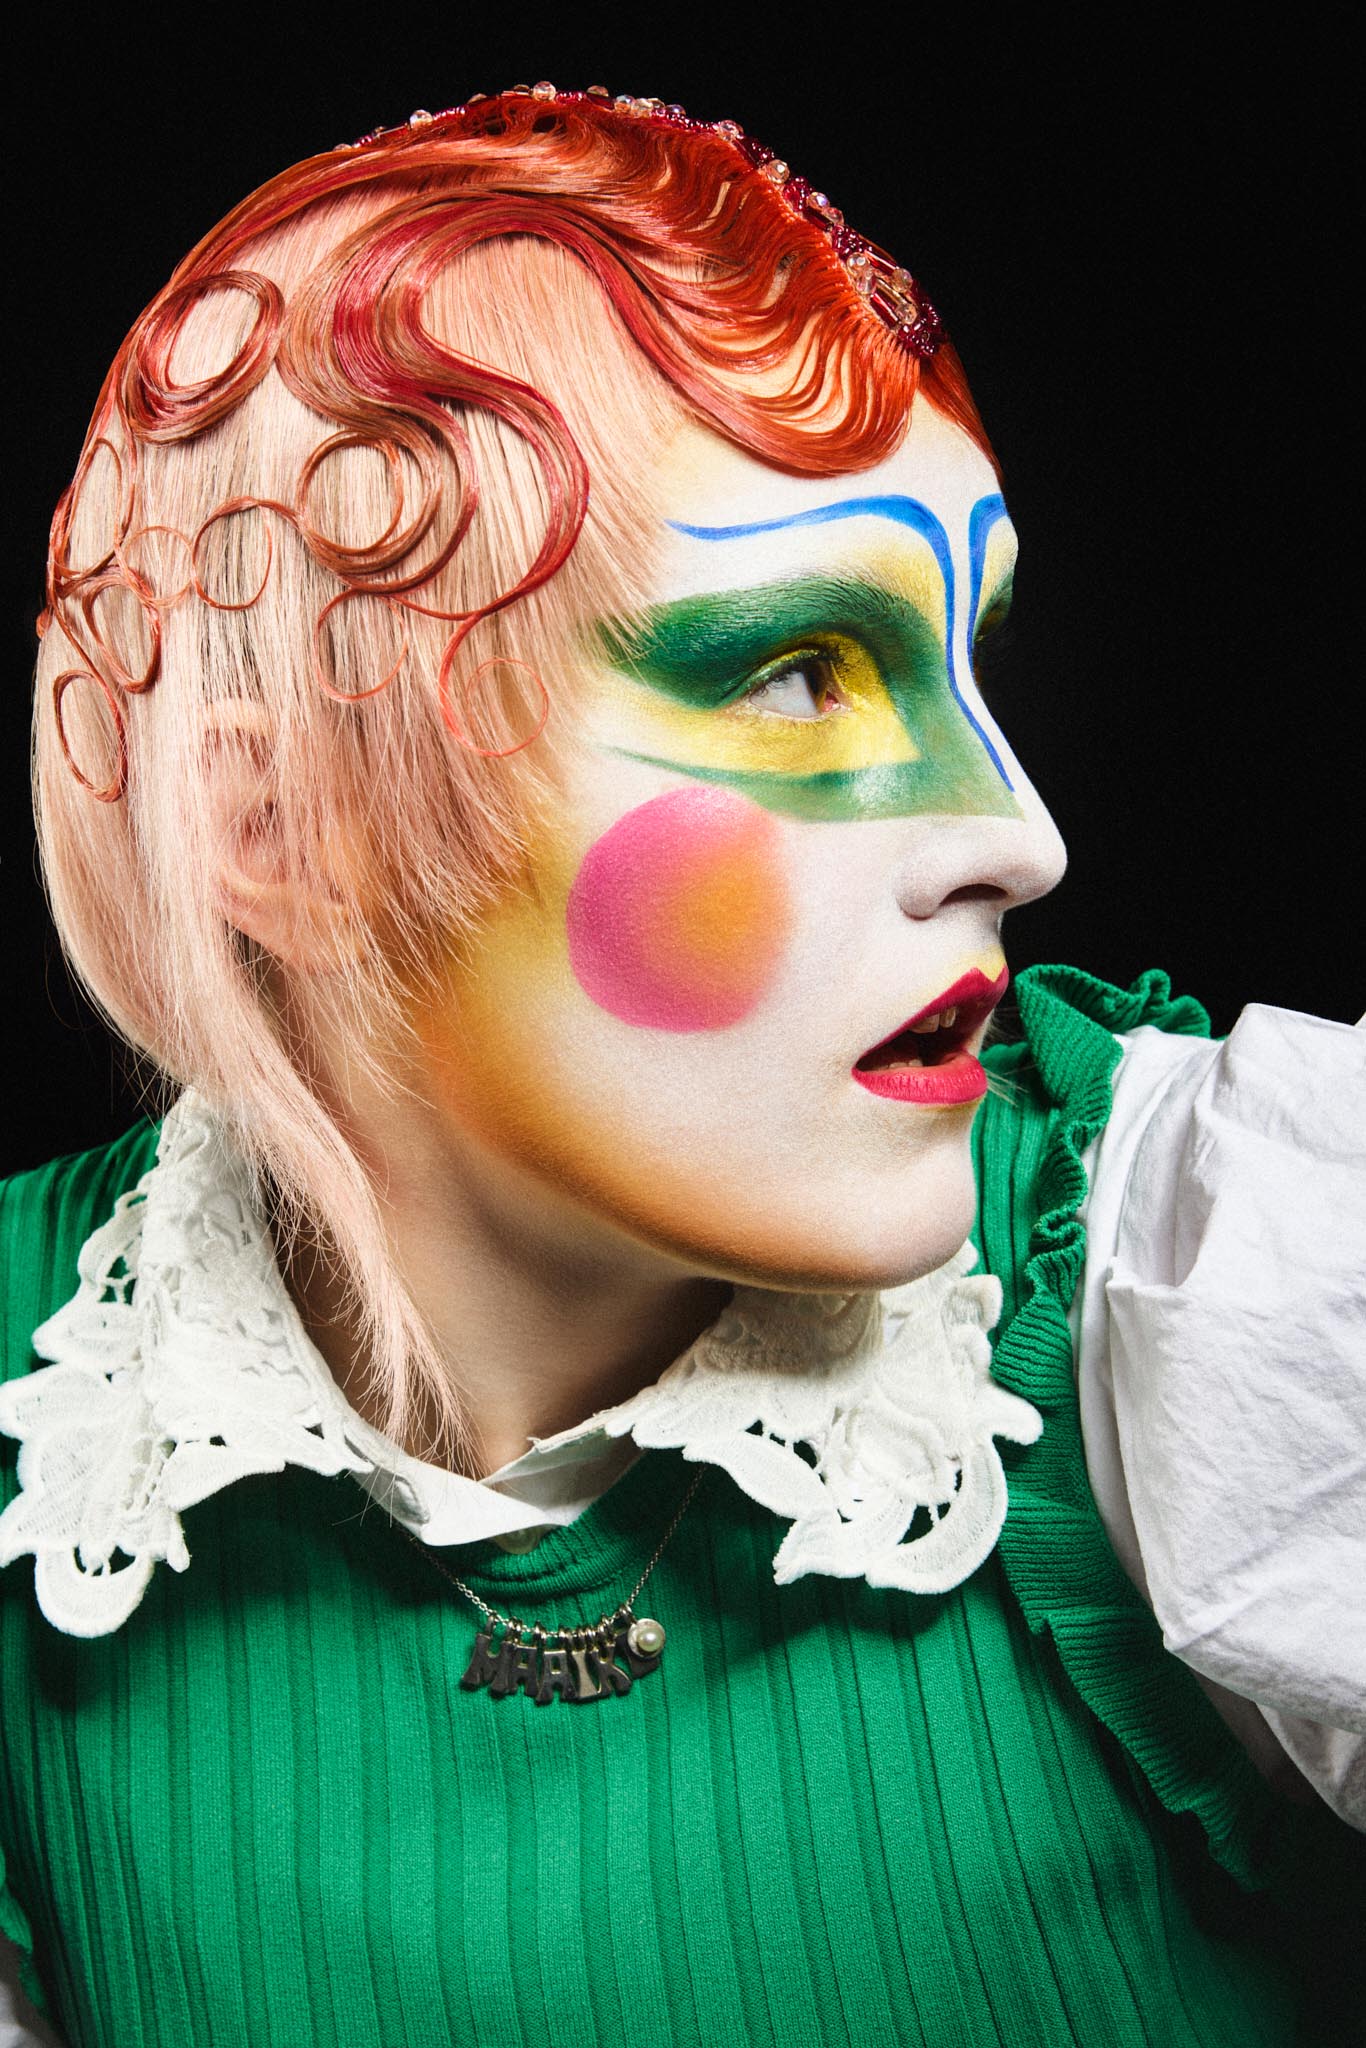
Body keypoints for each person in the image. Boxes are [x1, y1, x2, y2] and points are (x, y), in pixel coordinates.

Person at [1, 83, 1361, 2048]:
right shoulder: (46, 1417)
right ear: (282, 824)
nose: (1017, 834)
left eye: (963, 660)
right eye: (796, 673)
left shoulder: (1199, 1288)